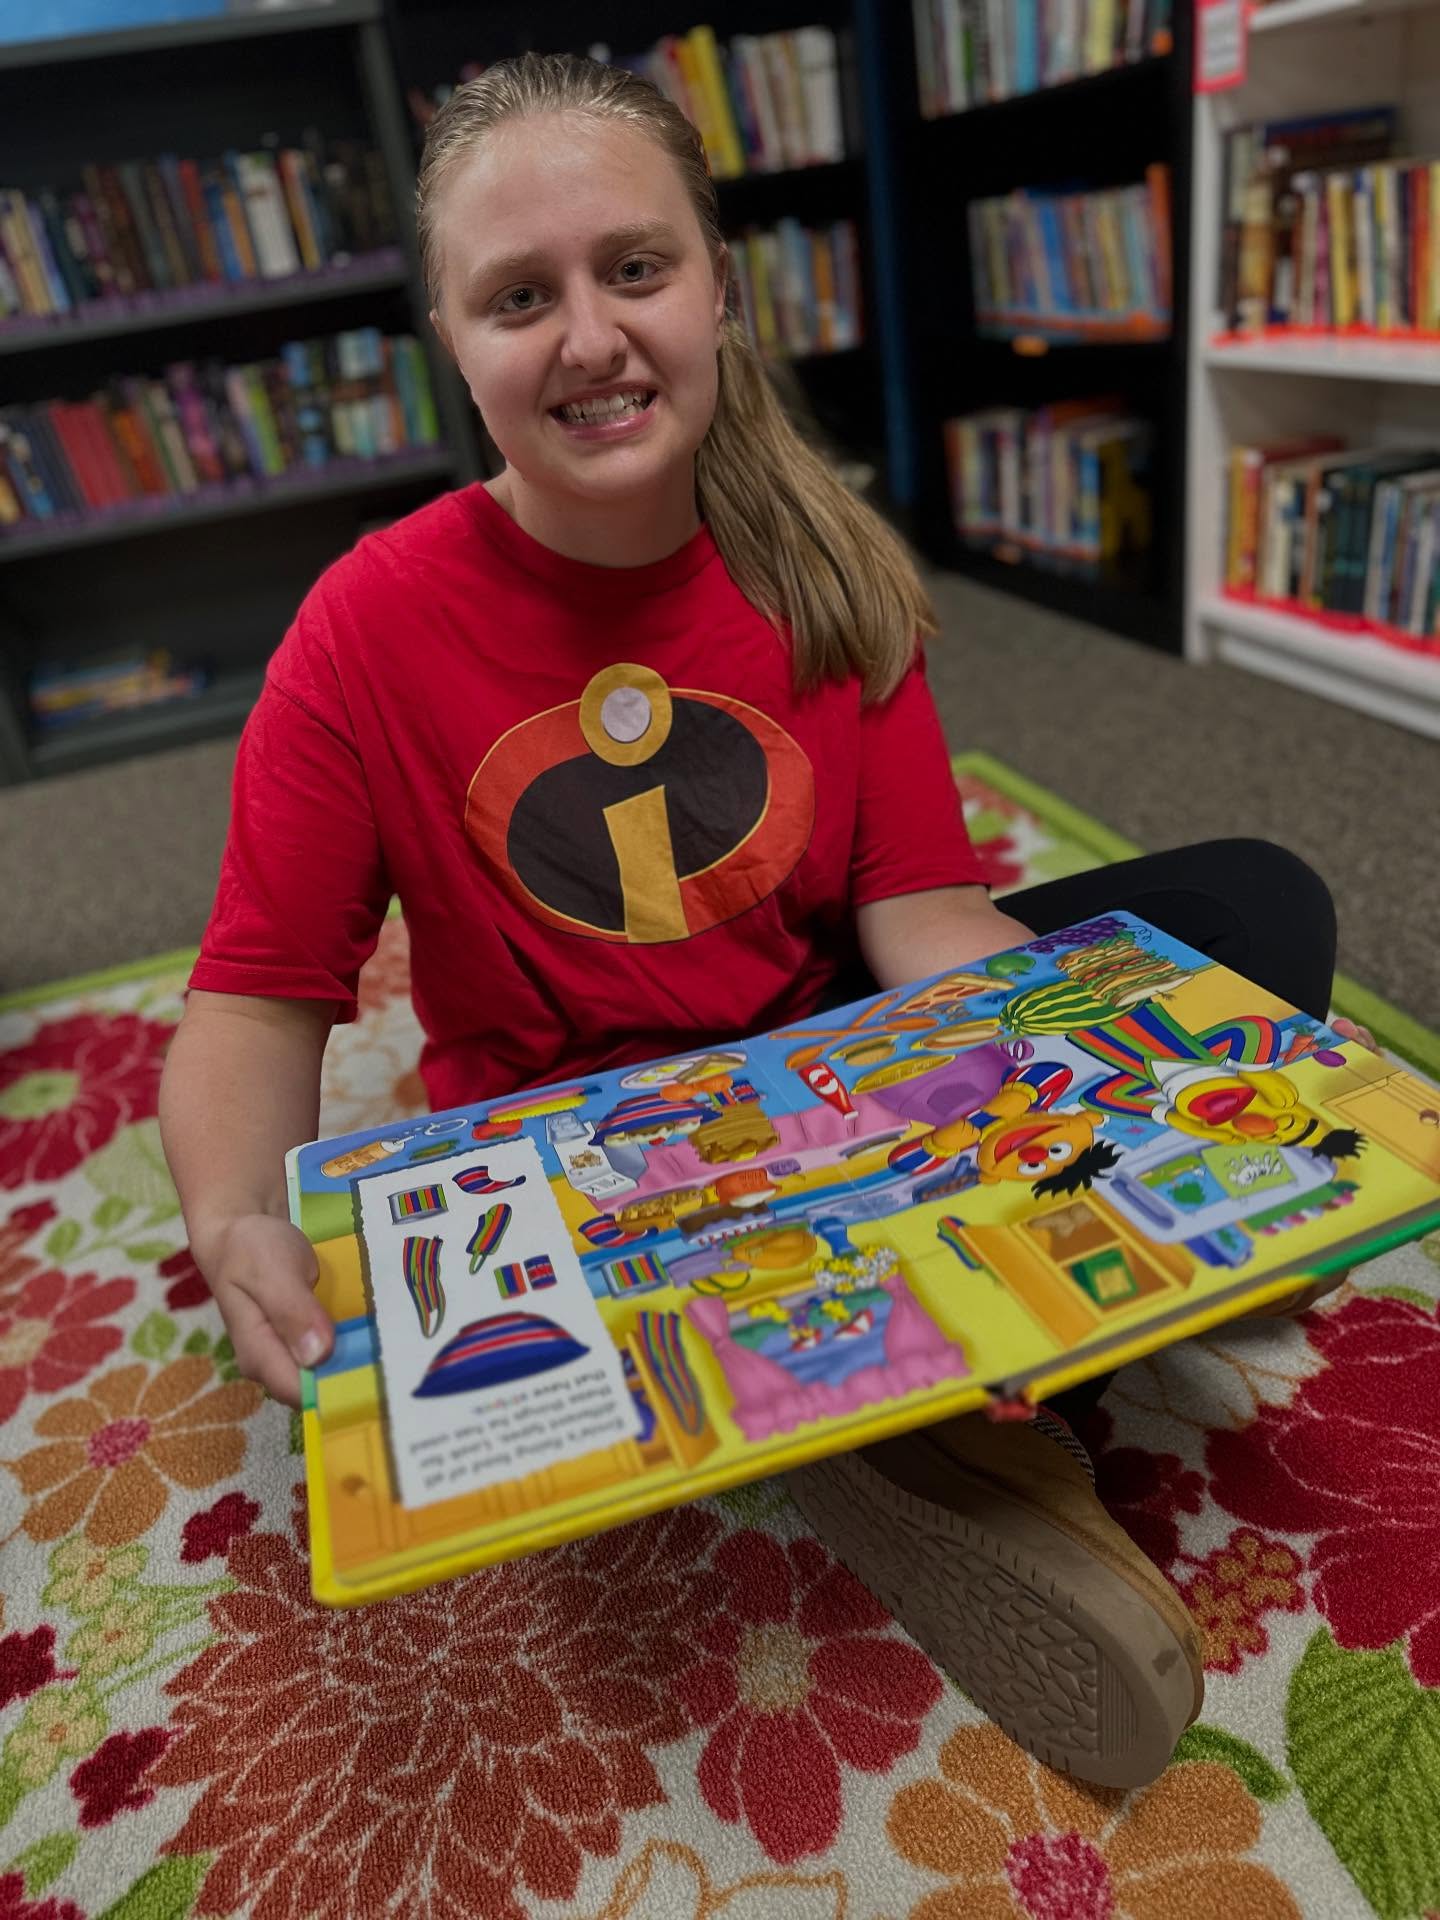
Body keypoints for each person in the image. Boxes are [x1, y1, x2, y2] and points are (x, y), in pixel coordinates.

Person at [159, 51, 1366, 1791]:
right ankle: (920, 1421)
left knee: (1251, 917)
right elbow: (259, 1000)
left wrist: (1078, 1081)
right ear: (454, 342)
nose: (588, 337)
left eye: (633, 269)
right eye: (520, 298)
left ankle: (873, 1381)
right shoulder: (363, 632)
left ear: (719, 286)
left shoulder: (826, 560)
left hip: (839, 1083)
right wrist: (231, 1217)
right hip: (579, 1166)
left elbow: (921, 914)